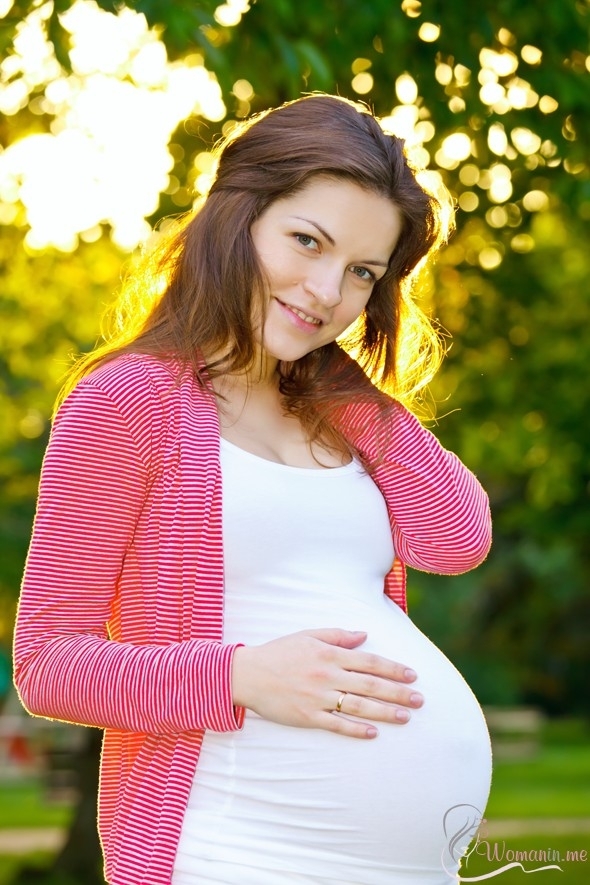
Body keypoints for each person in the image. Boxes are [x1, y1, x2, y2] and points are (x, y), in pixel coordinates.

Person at [14, 94, 493, 885]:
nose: (325, 290)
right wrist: (242, 677)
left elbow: (457, 538)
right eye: (307, 241)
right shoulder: (128, 400)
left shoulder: (337, 410)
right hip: (237, 849)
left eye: (361, 273)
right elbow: (48, 664)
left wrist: (343, 381)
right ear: (238, 216)